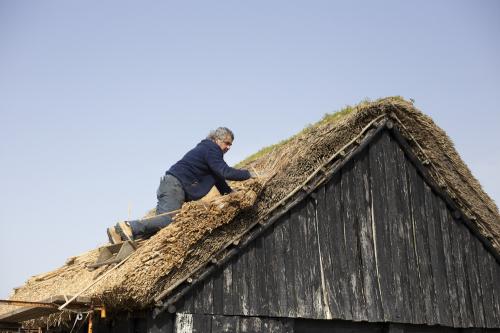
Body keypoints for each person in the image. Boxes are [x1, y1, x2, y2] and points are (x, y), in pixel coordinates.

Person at [107, 127, 254, 243]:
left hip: (171, 184)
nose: (229, 147)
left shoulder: (208, 153)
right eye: (226, 143)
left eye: (231, 145)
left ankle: (118, 233)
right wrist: (248, 175)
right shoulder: (211, 149)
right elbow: (224, 172)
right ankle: (129, 226)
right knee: (168, 220)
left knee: (159, 229)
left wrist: (233, 195)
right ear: (216, 140)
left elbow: (220, 181)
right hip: (175, 185)